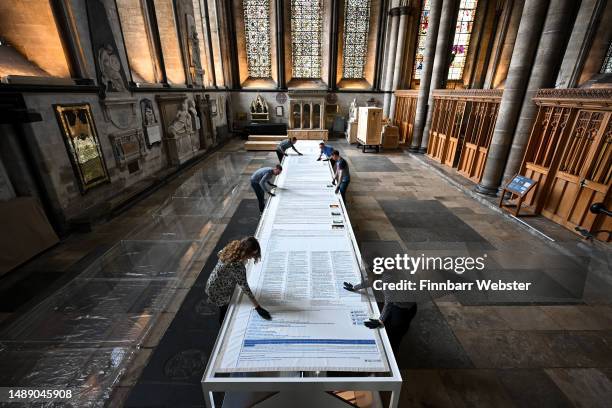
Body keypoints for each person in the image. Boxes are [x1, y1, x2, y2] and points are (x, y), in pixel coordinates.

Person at [343, 272, 417, 356]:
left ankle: (392, 355)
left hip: (404, 309)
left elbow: (388, 303)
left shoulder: (387, 280)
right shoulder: (383, 273)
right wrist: (355, 287)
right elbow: (371, 281)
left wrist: (380, 321)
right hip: (399, 303)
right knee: (389, 327)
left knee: (394, 334)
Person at [205, 236, 272, 325]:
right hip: (219, 291)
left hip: (211, 281)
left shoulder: (234, 245)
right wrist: (257, 307)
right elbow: (245, 287)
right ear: (246, 253)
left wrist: (225, 269)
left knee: (223, 305)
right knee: (224, 311)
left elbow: (219, 253)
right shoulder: (237, 266)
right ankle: (222, 325)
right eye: (251, 255)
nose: (252, 257)